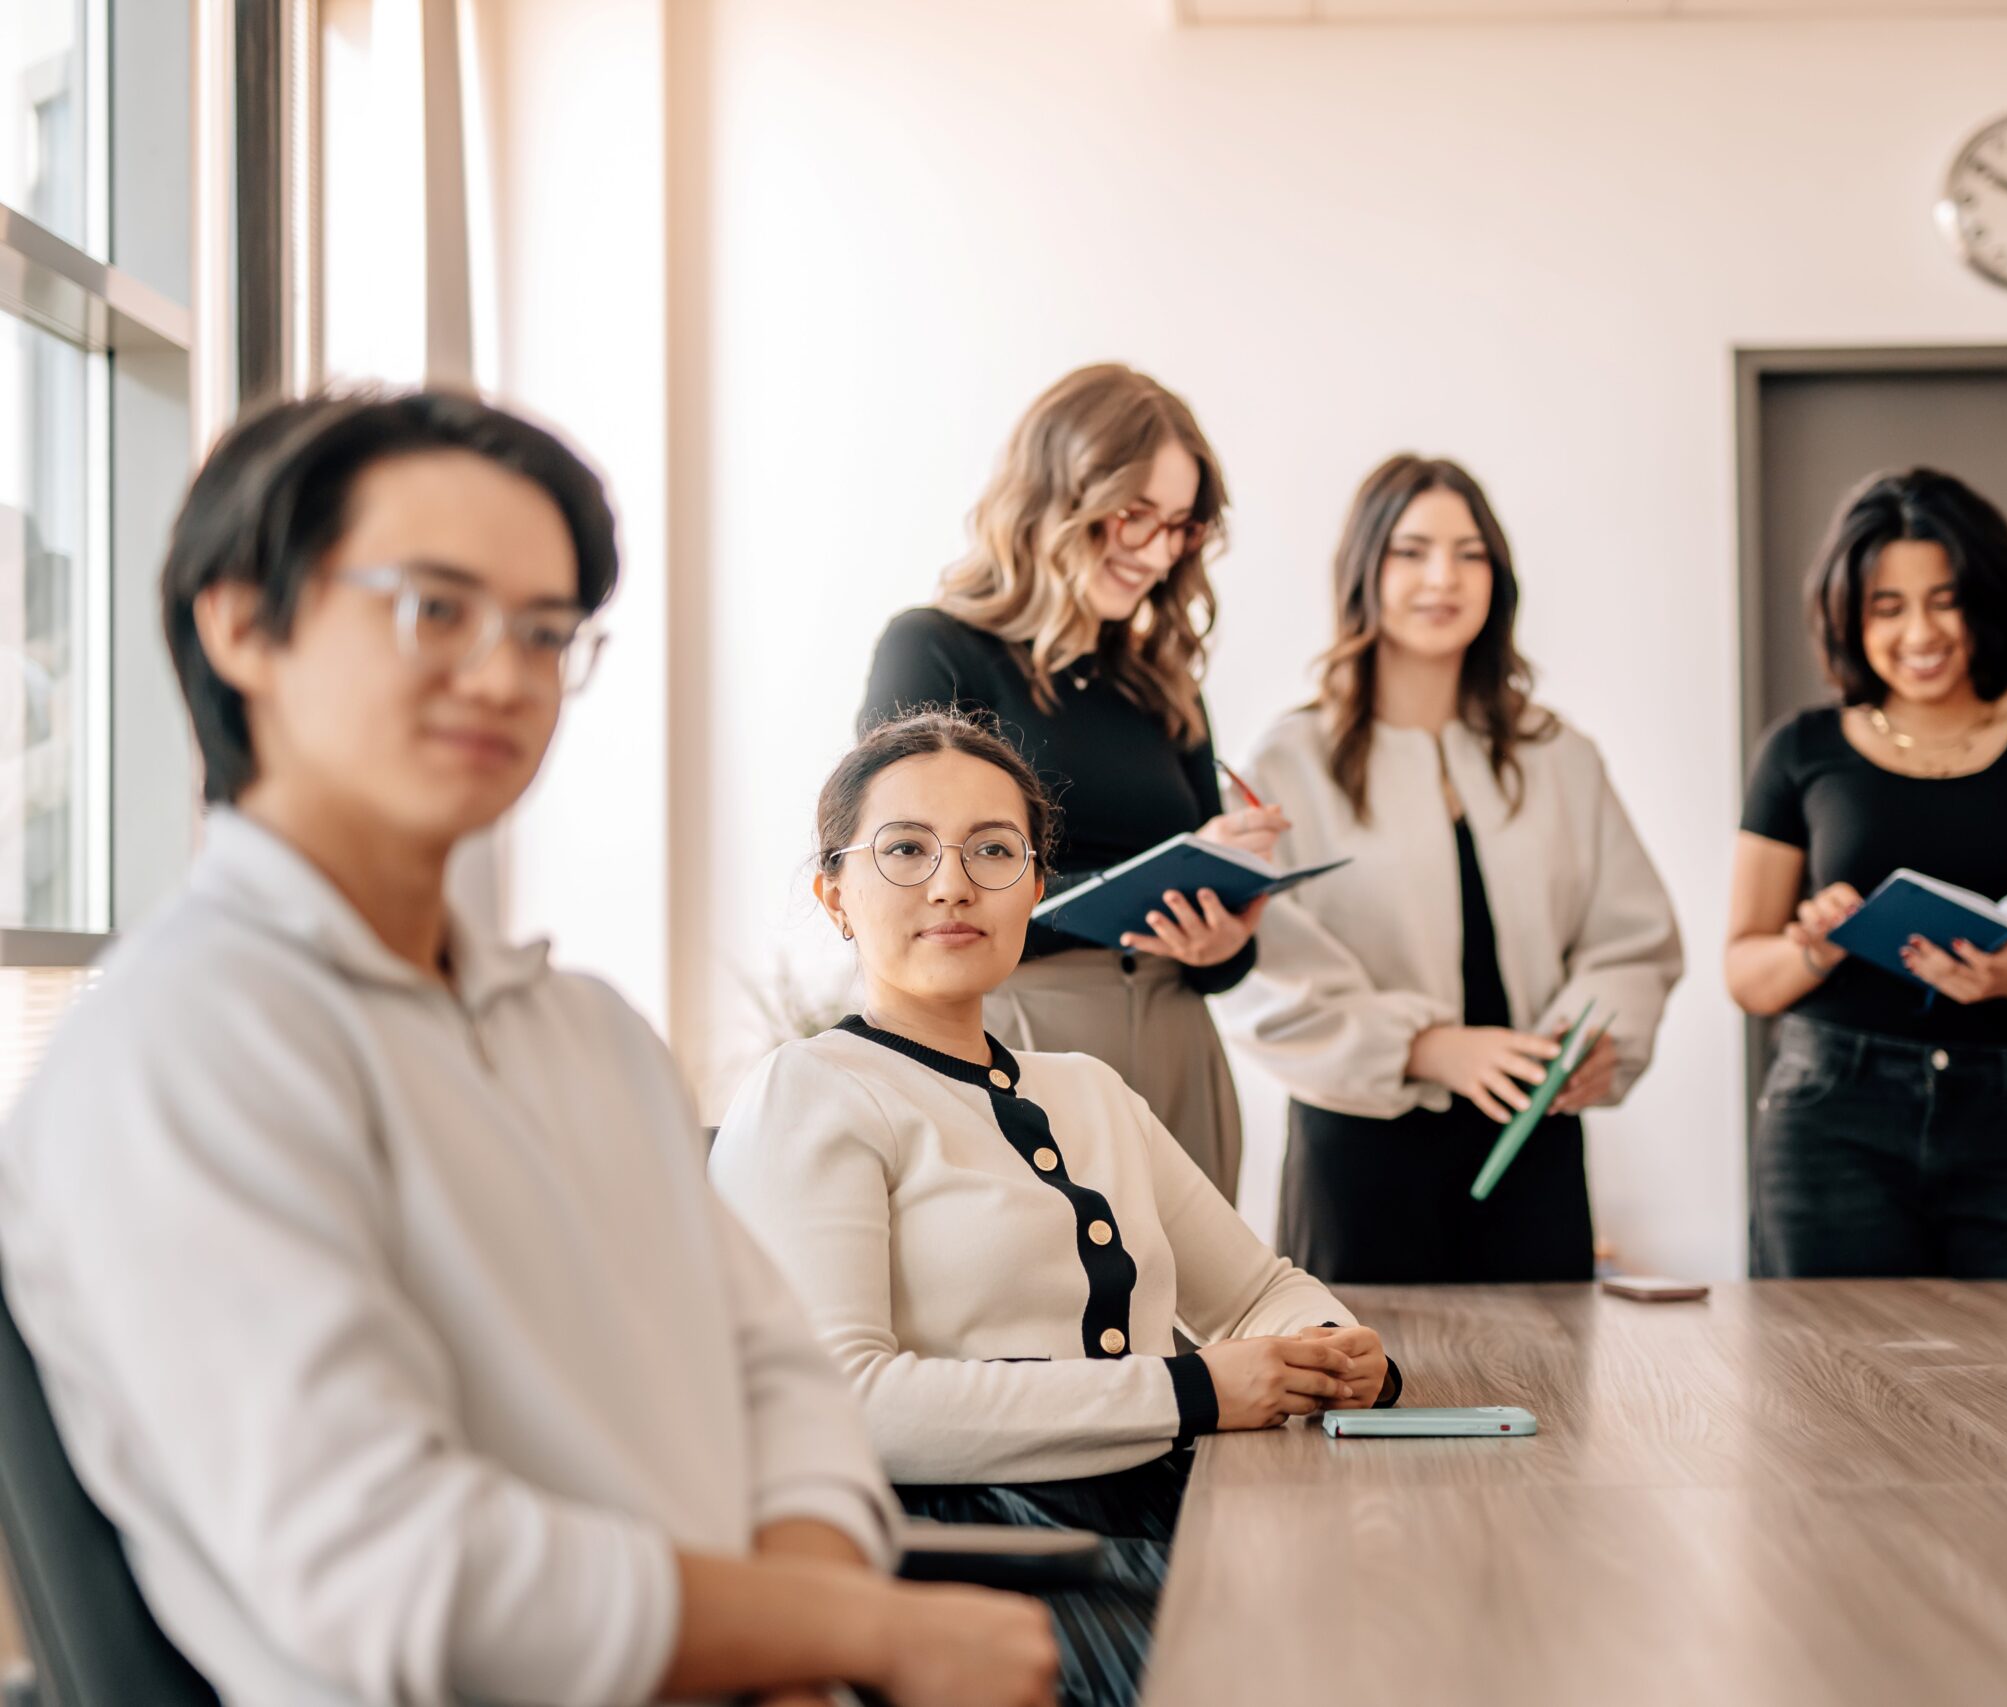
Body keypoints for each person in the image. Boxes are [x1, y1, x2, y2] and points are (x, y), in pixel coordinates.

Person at [0, 390, 1056, 1707]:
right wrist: (851, 1633)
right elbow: (394, 1572)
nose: (504, 674)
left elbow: (782, 1387)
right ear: (243, 625)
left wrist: (804, 1641)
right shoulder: (178, 1048)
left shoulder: (585, 1032)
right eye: (434, 608)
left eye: (546, 630)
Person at [712, 708, 1396, 1707]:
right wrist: (1193, 1392)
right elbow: (847, 1403)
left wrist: (1330, 1348)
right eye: (905, 849)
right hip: (969, 1565)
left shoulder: (1090, 1089)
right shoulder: (808, 1089)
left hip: (1173, 1516)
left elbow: (1255, 1293)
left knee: (1413, 1613)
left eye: (994, 851)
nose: (952, 883)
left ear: (1037, 888)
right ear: (835, 894)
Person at [1221, 456, 1683, 1284]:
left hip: (1533, 1140)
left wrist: (1596, 1038)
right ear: (1365, 570)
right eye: (1412, 551)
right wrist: (1426, 1047)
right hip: (1361, 1152)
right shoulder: (1292, 762)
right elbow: (1261, 965)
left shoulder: (1559, 755)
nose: (1444, 578)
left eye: (1470, 554)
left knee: (1550, 1368)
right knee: (1361, 1365)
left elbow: (1631, 939)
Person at [860, 365, 1282, 1202]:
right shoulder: (935, 649)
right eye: (1134, 515)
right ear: (1054, 494)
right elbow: (911, 881)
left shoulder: (1164, 683)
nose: (1157, 552)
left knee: (1206, 1288)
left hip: (1178, 1039)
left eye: (1180, 527)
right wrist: (1135, 889)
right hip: (1014, 1033)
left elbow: (1222, 964)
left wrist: (1224, 941)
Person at [1725, 468, 2007, 1280]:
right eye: (1887, 607)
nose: (1919, 631)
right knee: (1838, 1362)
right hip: (1830, 1120)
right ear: (1849, 617)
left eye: (1945, 600)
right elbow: (1744, 972)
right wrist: (1817, 945)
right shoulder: (1798, 749)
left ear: (1989, 600)